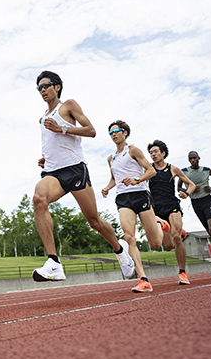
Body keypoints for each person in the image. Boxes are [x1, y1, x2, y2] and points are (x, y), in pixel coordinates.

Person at [32, 71, 135, 282]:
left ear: (57, 87)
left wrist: (63, 128)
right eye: (39, 87)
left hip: (75, 170)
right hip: (53, 172)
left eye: (46, 85)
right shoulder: (42, 119)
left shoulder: (68, 105)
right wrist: (46, 157)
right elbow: (52, 144)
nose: (42, 90)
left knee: (94, 221)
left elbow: (91, 131)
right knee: (38, 198)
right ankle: (53, 262)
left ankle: (120, 251)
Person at [101, 120, 171, 293]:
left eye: (116, 131)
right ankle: (143, 279)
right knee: (129, 237)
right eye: (110, 132)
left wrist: (136, 180)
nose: (113, 134)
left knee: (155, 242)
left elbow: (151, 170)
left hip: (140, 195)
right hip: (123, 199)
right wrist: (107, 188)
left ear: (125, 133)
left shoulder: (132, 150)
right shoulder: (111, 158)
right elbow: (114, 178)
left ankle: (158, 224)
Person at [147, 140, 195, 285]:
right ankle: (173, 228)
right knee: (168, 246)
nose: (152, 154)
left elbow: (191, 185)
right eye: (150, 153)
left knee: (176, 237)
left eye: (155, 151)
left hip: (172, 205)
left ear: (163, 153)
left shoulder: (173, 169)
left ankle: (182, 273)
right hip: (156, 209)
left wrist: (186, 193)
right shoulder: (148, 169)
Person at [179, 151, 211, 273]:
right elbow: (179, 188)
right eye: (190, 159)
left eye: (194, 158)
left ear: (198, 158)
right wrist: (190, 190)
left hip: (207, 201)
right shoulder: (184, 172)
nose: (192, 160)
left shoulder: (207, 170)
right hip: (195, 203)